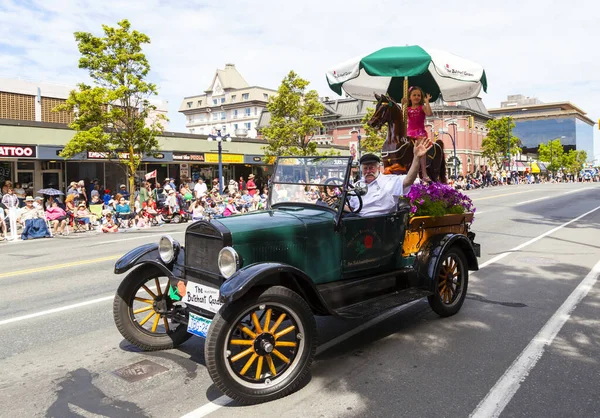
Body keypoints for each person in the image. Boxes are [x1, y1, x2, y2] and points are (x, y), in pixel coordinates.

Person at [348, 139, 431, 217]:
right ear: (362, 170)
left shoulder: (389, 181)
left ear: (378, 168)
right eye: (365, 168)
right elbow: (352, 208)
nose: (368, 171)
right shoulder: (356, 186)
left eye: (371, 168)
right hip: (357, 223)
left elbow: (408, 180)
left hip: (381, 224)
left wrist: (416, 158)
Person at [401, 86, 433, 181]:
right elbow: (403, 117)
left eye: (418, 95)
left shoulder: (421, 107)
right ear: (410, 97)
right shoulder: (408, 108)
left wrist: (427, 101)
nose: (416, 97)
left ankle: (424, 173)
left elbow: (429, 113)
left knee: (420, 148)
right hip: (409, 132)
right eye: (414, 95)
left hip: (419, 132)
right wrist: (403, 105)